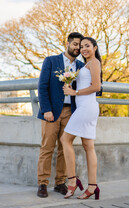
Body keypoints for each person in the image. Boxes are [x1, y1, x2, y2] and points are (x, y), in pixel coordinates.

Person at [37, 32, 84, 198]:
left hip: (71, 112)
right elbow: (42, 87)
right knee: (47, 148)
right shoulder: (51, 61)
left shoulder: (80, 66)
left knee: (65, 148)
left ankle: (60, 182)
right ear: (68, 43)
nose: (78, 48)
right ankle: (42, 183)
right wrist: (46, 109)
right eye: (75, 44)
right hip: (51, 111)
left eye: (80, 45)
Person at [61, 37, 102, 200]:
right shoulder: (85, 64)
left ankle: (72, 181)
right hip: (87, 107)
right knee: (88, 145)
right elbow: (87, 84)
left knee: (65, 140)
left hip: (86, 107)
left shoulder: (94, 63)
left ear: (95, 47)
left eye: (87, 46)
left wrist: (75, 93)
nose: (84, 49)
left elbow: (97, 87)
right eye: (82, 46)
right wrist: (70, 85)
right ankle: (92, 186)